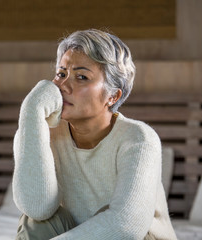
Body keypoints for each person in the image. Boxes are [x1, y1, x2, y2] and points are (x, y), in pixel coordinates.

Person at [12, 29, 177, 240]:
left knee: (110, 218)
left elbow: (126, 225)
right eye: (61, 74)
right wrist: (31, 111)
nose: (63, 86)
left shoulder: (138, 139)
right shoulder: (40, 131)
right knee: (35, 221)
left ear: (112, 95)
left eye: (81, 77)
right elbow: (37, 209)